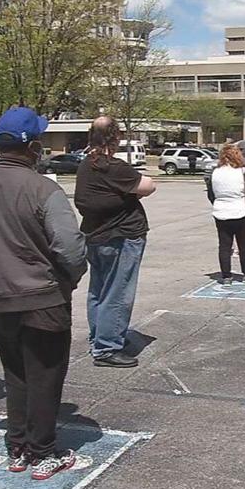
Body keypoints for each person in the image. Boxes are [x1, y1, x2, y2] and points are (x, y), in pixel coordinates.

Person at [0, 107, 87, 480]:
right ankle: (42, 451)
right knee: (45, 375)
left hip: (1, 298)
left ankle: (18, 445)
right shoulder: (43, 188)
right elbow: (70, 248)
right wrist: (70, 279)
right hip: (43, 296)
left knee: (16, 374)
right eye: (40, 143)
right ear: (32, 147)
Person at [74, 117, 156, 369]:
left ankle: (101, 336)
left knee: (99, 291)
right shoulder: (113, 167)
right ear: (115, 138)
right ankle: (107, 346)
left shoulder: (86, 165)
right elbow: (148, 186)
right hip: (120, 237)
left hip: (96, 236)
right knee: (118, 293)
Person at [207, 144, 245, 285]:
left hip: (221, 211)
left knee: (224, 245)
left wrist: (218, 203)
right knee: (244, 245)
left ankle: (226, 276)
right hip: (240, 211)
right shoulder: (242, 171)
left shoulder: (215, 172)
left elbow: (211, 193)